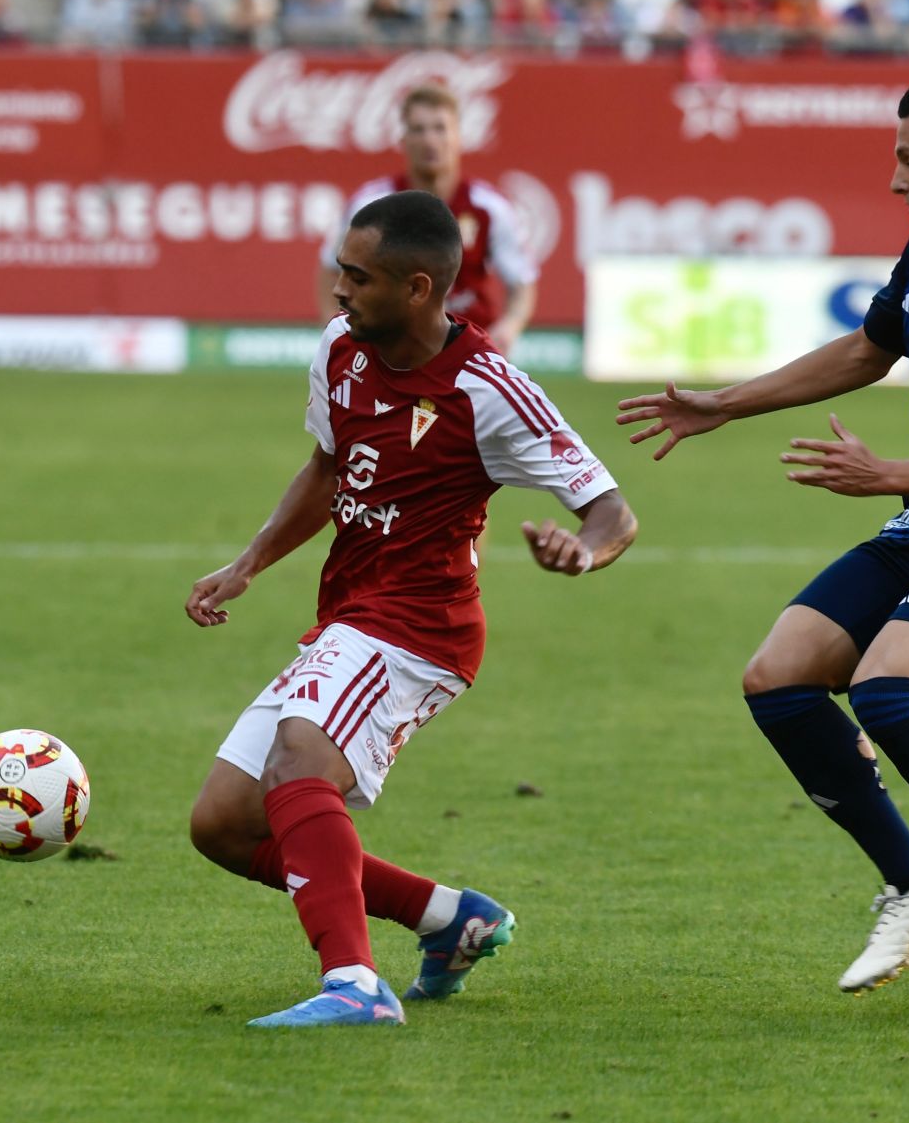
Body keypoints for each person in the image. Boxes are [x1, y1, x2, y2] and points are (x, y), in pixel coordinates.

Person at [616, 67, 909, 1018]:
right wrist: (728, 402)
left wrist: (890, 475)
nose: (895, 181)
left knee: (886, 689)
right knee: (778, 677)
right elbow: (871, 346)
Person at [187, 190, 637, 1027]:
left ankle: (354, 985)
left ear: (420, 288)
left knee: (297, 764)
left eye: (358, 278)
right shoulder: (339, 350)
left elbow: (611, 511)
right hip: (352, 611)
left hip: (420, 627)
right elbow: (328, 468)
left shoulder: (489, 388)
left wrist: (585, 550)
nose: (339, 290)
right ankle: (449, 917)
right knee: (222, 821)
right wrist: (248, 563)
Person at [321, 83, 539, 355]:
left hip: (467, 354)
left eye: (439, 128)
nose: (429, 140)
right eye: (418, 129)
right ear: (403, 140)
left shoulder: (489, 208)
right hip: (391, 354)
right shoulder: (371, 203)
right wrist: (337, 333)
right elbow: (332, 268)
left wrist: (509, 327)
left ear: (458, 136)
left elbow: (521, 283)